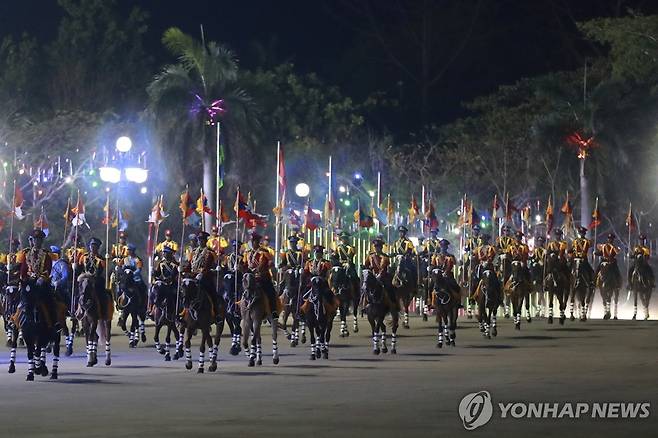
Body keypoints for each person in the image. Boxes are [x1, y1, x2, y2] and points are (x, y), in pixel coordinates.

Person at [18, 229, 58, 328]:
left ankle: (54, 321)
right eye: (35, 240)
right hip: (29, 282)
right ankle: (16, 320)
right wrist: (24, 279)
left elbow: (48, 269)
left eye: (39, 240)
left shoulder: (46, 254)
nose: (37, 242)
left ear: (42, 241)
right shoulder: (26, 253)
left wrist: (42, 278)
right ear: (32, 241)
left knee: (50, 298)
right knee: (21, 298)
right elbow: (23, 269)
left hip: (41, 282)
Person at [243, 232, 278, 319]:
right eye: (251, 241)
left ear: (257, 242)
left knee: (271, 292)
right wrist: (240, 267)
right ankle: (238, 309)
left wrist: (261, 268)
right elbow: (244, 264)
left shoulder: (264, 252)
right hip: (250, 278)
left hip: (262, 277)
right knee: (241, 289)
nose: (252, 243)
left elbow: (268, 263)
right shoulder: (247, 253)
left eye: (254, 241)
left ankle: (273, 311)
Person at [189, 231, 221, 321]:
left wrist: (203, 273)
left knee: (213, 293)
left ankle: (216, 313)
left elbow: (210, 265)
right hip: (193, 276)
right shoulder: (194, 252)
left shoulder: (210, 252)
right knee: (184, 291)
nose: (200, 242)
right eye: (199, 240)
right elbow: (189, 264)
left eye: (202, 240)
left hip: (206, 277)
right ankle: (181, 312)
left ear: (205, 241)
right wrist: (183, 269)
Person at [77, 238, 110, 318]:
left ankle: (103, 311)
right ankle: (76, 309)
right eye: (92, 245)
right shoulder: (84, 257)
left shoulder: (100, 259)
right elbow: (80, 268)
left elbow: (101, 270)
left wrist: (107, 260)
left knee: (102, 293)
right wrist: (76, 267)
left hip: (95, 279)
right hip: (84, 277)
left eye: (95, 246)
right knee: (77, 291)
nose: (93, 247)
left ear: (98, 248)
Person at [364, 237, 395, 306]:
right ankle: (365, 303)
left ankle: (391, 303)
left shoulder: (385, 257)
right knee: (365, 287)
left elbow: (385, 267)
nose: (376, 248)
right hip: (373, 276)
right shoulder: (370, 256)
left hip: (383, 276)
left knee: (389, 287)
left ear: (381, 248)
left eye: (378, 247)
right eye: (375, 247)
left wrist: (380, 275)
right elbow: (366, 265)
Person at [150, 246, 179, 315]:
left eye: (165, 253)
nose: (164, 254)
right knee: (153, 291)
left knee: (176, 295)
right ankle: (151, 309)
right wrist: (154, 273)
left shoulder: (175, 264)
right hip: (163, 283)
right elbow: (158, 273)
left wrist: (169, 278)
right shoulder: (161, 263)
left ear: (170, 254)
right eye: (163, 253)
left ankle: (177, 312)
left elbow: (175, 275)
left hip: (172, 284)